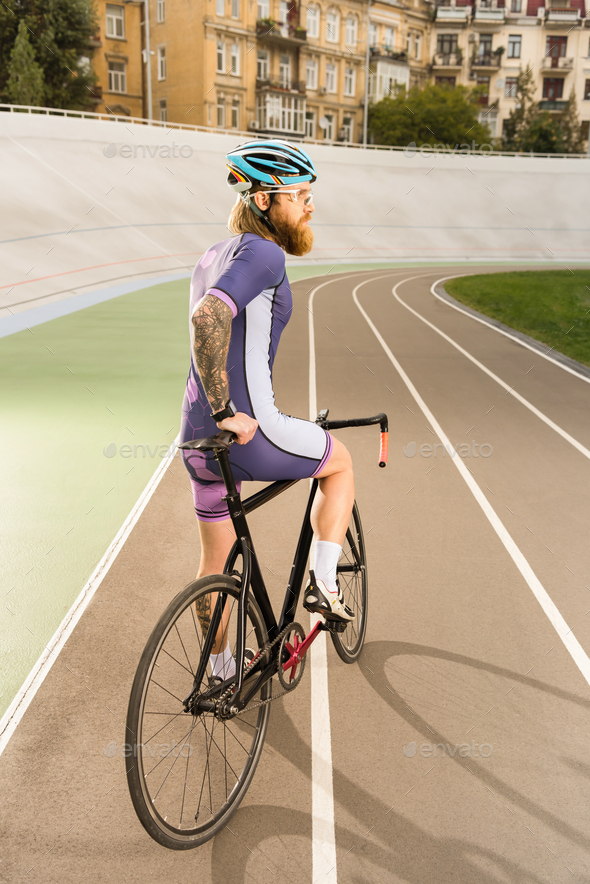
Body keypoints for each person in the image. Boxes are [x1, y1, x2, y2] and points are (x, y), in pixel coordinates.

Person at [179, 140, 354, 682]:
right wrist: (229, 409)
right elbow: (210, 320)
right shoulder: (264, 253)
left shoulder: (215, 254)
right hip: (248, 432)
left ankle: (222, 673)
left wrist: (213, 413)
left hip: (196, 444)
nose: (309, 205)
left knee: (215, 568)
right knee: (341, 462)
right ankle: (325, 585)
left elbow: (217, 327)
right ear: (261, 201)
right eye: (298, 195)